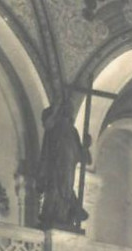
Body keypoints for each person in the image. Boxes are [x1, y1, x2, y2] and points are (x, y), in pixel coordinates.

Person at [35, 95, 91, 230]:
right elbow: (46, 123)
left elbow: (84, 158)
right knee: (55, 188)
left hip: (68, 167)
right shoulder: (54, 127)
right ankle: (55, 215)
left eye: (70, 109)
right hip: (55, 165)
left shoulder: (73, 131)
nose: (69, 111)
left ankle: (66, 215)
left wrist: (86, 146)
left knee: (65, 189)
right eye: (66, 108)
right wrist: (55, 108)